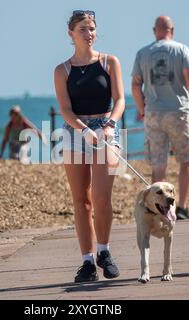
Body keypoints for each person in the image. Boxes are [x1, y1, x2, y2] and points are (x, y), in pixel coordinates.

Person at [53, 10, 125, 282]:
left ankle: (104, 251)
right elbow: (65, 109)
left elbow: (120, 100)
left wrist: (108, 126)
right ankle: (86, 262)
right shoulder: (62, 70)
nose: (89, 33)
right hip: (75, 133)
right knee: (81, 202)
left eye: (92, 28)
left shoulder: (110, 62)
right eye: (82, 29)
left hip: (106, 128)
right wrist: (83, 130)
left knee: (101, 197)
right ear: (71, 34)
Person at [131, 16, 189, 220]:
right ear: (172, 30)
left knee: (158, 163)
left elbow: (136, 85)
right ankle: (182, 207)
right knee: (187, 159)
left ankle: (160, 209)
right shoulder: (182, 50)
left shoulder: (143, 53)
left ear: (155, 30)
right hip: (178, 111)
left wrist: (141, 108)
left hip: (153, 112)